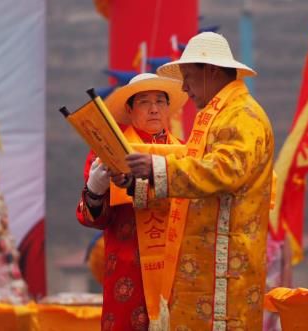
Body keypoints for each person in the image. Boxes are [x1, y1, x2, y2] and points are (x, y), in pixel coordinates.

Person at [124, 32, 275, 330]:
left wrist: (156, 168)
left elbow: (224, 170)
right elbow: (192, 173)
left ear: (212, 72)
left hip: (225, 273)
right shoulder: (218, 115)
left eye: (189, 76)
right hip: (203, 268)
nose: (184, 87)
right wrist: (141, 179)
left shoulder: (243, 115)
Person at [76, 73, 187, 331]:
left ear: (168, 108)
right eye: (144, 102)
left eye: (160, 101)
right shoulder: (108, 151)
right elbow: (92, 218)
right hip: (128, 267)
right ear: (129, 108)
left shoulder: (184, 152)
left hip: (175, 268)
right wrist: (95, 190)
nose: (154, 109)